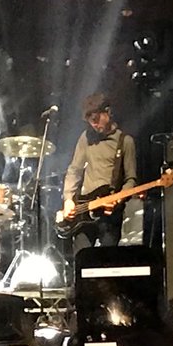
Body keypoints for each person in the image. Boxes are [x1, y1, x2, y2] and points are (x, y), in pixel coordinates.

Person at [61, 92, 137, 250]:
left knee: (106, 262)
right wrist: (68, 199)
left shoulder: (125, 141)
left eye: (95, 119)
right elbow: (74, 170)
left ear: (107, 112)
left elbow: (131, 180)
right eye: (90, 121)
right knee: (82, 260)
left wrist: (118, 199)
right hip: (84, 210)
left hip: (110, 213)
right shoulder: (86, 137)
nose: (94, 125)